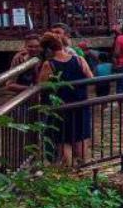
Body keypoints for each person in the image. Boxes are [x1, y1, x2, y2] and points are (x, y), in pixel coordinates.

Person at [37, 31, 93, 167]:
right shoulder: (80, 60)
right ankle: (86, 172)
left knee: (63, 141)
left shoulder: (49, 65)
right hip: (80, 106)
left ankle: (68, 174)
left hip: (60, 108)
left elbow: (41, 86)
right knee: (81, 140)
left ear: (48, 50)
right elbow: (91, 78)